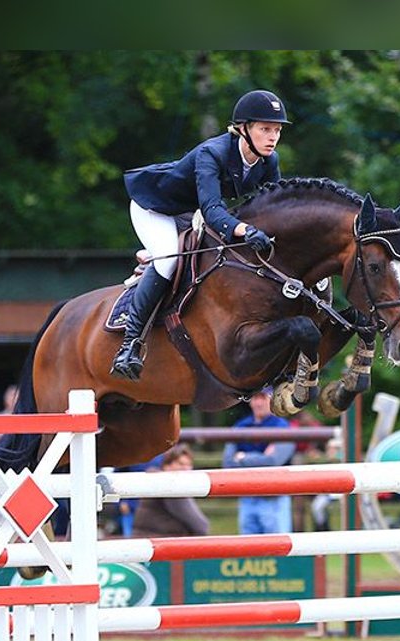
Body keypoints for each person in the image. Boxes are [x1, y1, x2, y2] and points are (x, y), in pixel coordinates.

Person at [110, 89, 291, 381]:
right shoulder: (213, 153)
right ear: (243, 129)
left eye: (277, 130)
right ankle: (130, 344)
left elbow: (275, 205)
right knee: (169, 260)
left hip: (189, 213)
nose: (272, 137)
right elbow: (212, 210)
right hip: (155, 208)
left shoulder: (269, 161)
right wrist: (245, 229)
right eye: (265, 129)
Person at [223, 387, 295, 534]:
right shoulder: (241, 426)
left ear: (273, 399)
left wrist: (243, 457)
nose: (259, 403)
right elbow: (228, 463)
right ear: (250, 402)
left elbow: (274, 460)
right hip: (248, 496)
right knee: (250, 550)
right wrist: (261, 456)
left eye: (264, 398)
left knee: (277, 547)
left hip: (274, 496)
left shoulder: (282, 427)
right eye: (255, 398)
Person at [131, 444, 210, 538]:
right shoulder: (171, 485)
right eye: (181, 464)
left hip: (149, 539)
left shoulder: (156, 480)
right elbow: (200, 525)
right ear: (166, 466)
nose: (186, 469)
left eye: (189, 465)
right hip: (160, 542)